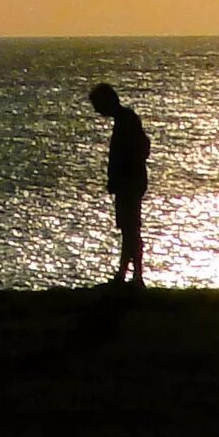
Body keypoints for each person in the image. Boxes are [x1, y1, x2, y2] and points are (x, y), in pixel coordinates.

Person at [88, 81, 149, 287]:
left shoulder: (127, 121)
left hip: (129, 185)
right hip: (129, 183)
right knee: (129, 229)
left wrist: (123, 177)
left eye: (98, 105)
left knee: (130, 229)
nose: (97, 111)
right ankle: (127, 274)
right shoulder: (125, 120)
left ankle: (133, 275)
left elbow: (138, 150)